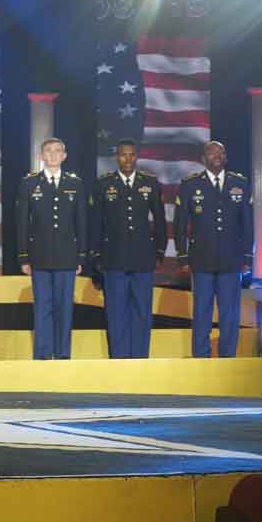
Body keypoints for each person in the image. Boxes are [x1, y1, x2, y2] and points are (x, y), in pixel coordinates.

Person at [173, 140, 253, 358]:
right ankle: (201, 359)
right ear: (203, 159)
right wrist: (182, 256)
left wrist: (248, 257)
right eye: (211, 152)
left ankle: (228, 360)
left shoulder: (240, 184)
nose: (216, 155)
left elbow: (247, 223)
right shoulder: (190, 185)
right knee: (202, 313)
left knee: (229, 315)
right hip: (202, 261)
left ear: (225, 157)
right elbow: (180, 224)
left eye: (221, 152)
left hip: (231, 261)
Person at [90, 138, 166, 359]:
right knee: (116, 313)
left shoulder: (149, 183)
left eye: (132, 155)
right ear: (117, 157)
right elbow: (96, 223)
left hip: (143, 259)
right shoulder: (104, 184)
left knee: (143, 312)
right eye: (124, 154)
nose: (128, 159)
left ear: (137, 156)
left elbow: (160, 221)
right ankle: (119, 361)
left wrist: (159, 251)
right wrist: (96, 256)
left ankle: (140, 359)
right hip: (114, 260)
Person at [16, 138, 86, 360]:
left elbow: (82, 223)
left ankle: (63, 354)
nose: (53, 155)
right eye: (48, 151)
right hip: (40, 255)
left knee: (64, 308)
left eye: (58, 151)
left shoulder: (76, 184)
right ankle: (43, 354)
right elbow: (22, 223)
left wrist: (81, 256)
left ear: (64, 155)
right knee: (43, 307)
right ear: (41, 156)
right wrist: (24, 257)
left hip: (67, 256)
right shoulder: (29, 184)